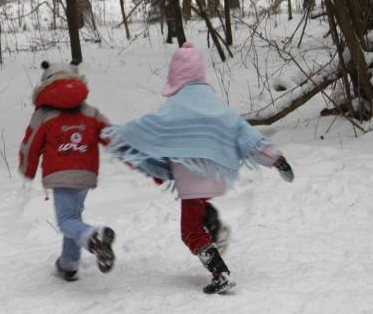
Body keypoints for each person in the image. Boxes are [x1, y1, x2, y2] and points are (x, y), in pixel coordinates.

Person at [103, 42, 294, 294]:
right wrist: (274, 157)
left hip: (190, 176)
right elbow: (243, 132)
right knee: (199, 207)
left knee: (190, 231)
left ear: (175, 75)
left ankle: (220, 273)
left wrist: (117, 134)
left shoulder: (176, 106)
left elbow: (150, 126)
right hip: (215, 173)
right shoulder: (215, 106)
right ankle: (214, 226)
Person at [18, 60, 115, 282]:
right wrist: (131, 153)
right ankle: (69, 264)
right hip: (85, 174)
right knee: (74, 217)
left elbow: (30, 144)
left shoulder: (43, 114)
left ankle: (93, 236)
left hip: (60, 176)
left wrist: (27, 169)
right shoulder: (90, 112)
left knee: (66, 221)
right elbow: (111, 134)